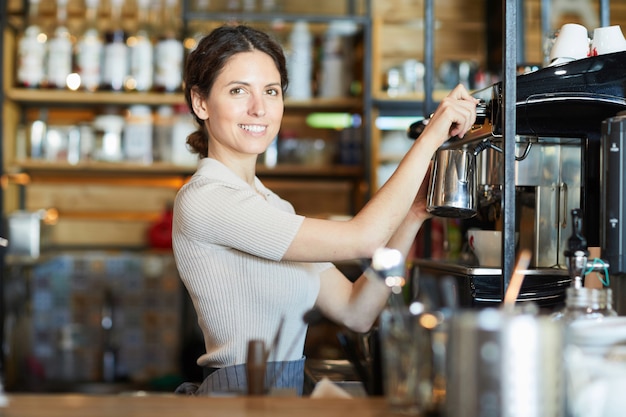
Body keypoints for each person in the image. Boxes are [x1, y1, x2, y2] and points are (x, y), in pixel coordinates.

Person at [172, 24, 478, 396]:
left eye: (271, 91)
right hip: (238, 399)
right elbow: (362, 239)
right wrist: (432, 136)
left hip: (282, 397)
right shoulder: (207, 198)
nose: (259, 108)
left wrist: (413, 213)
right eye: (238, 91)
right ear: (200, 102)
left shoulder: (272, 206)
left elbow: (357, 310)